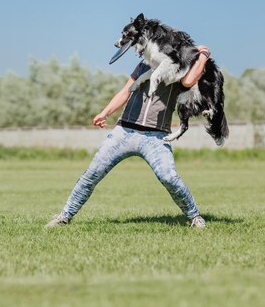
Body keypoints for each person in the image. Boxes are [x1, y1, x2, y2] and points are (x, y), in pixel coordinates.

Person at [46, 46, 211, 228]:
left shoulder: (178, 67)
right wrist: (105, 113)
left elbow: (189, 82)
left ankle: (195, 217)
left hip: (156, 136)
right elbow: (126, 91)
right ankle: (64, 216)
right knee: (92, 173)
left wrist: (203, 55)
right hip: (124, 131)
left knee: (169, 177)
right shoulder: (142, 66)